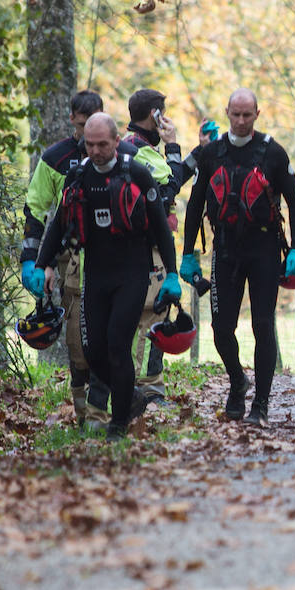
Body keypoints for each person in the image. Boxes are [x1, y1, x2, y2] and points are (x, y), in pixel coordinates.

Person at [34, 113, 181, 440]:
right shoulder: (79, 176)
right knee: (93, 351)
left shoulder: (137, 175)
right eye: (90, 144)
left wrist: (171, 275)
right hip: (95, 275)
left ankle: (118, 424)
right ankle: (132, 398)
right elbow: (58, 223)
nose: (96, 151)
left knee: (117, 343)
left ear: (117, 141)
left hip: (132, 273)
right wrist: (41, 264)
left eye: (103, 144)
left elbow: (160, 228)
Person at [182, 88, 295, 428]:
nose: (239, 121)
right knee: (221, 329)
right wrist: (187, 253)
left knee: (263, 325)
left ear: (257, 114)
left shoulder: (273, 153)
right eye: (234, 114)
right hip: (225, 250)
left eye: (246, 115)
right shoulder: (212, 154)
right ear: (226, 112)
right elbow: (194, 204)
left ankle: (261, 405)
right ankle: (238, 381)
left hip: (264, 249)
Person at [19, 89, 112, 428]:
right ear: (72, 119)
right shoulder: (55, 159)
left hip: (113, 258)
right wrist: (32, 259)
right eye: (83, 126)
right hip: (70, 258)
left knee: (110, 333)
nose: (89, 136)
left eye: (95, 125)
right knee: (77, 337)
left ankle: (106, 406)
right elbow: (36, 207)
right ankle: (84, 408)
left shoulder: (122, 156)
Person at [122, 89, 186, 406]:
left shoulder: (132, 147)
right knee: (151, 315)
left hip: (141, 248)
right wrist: (173, 144)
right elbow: (171, 185)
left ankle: (140, 387)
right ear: (155, 116)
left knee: (145, 315)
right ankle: (147, 390)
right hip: (148, 251)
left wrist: (198, 153)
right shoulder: (140, 151)